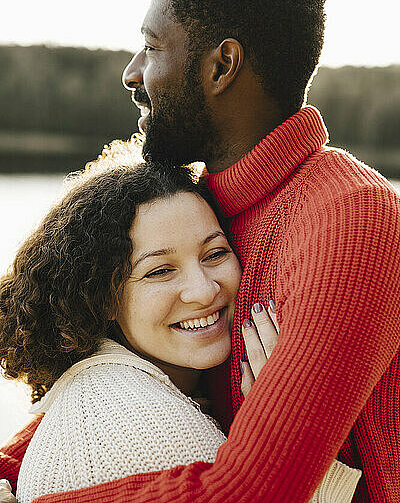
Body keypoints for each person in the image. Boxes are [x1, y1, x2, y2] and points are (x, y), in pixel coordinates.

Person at [1, 0, 400, 503]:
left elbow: (254, 491)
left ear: (223, 65)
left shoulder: (348, 219)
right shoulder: (211, 207)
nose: (132, 74)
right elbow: (134, 371)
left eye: (152, 46)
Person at [0, 151, 360, 503]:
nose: (203, 291)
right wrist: (290, 438)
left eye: (215, 254)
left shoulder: (101, 386)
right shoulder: (151, 427)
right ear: (103, 296)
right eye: (160, 271)